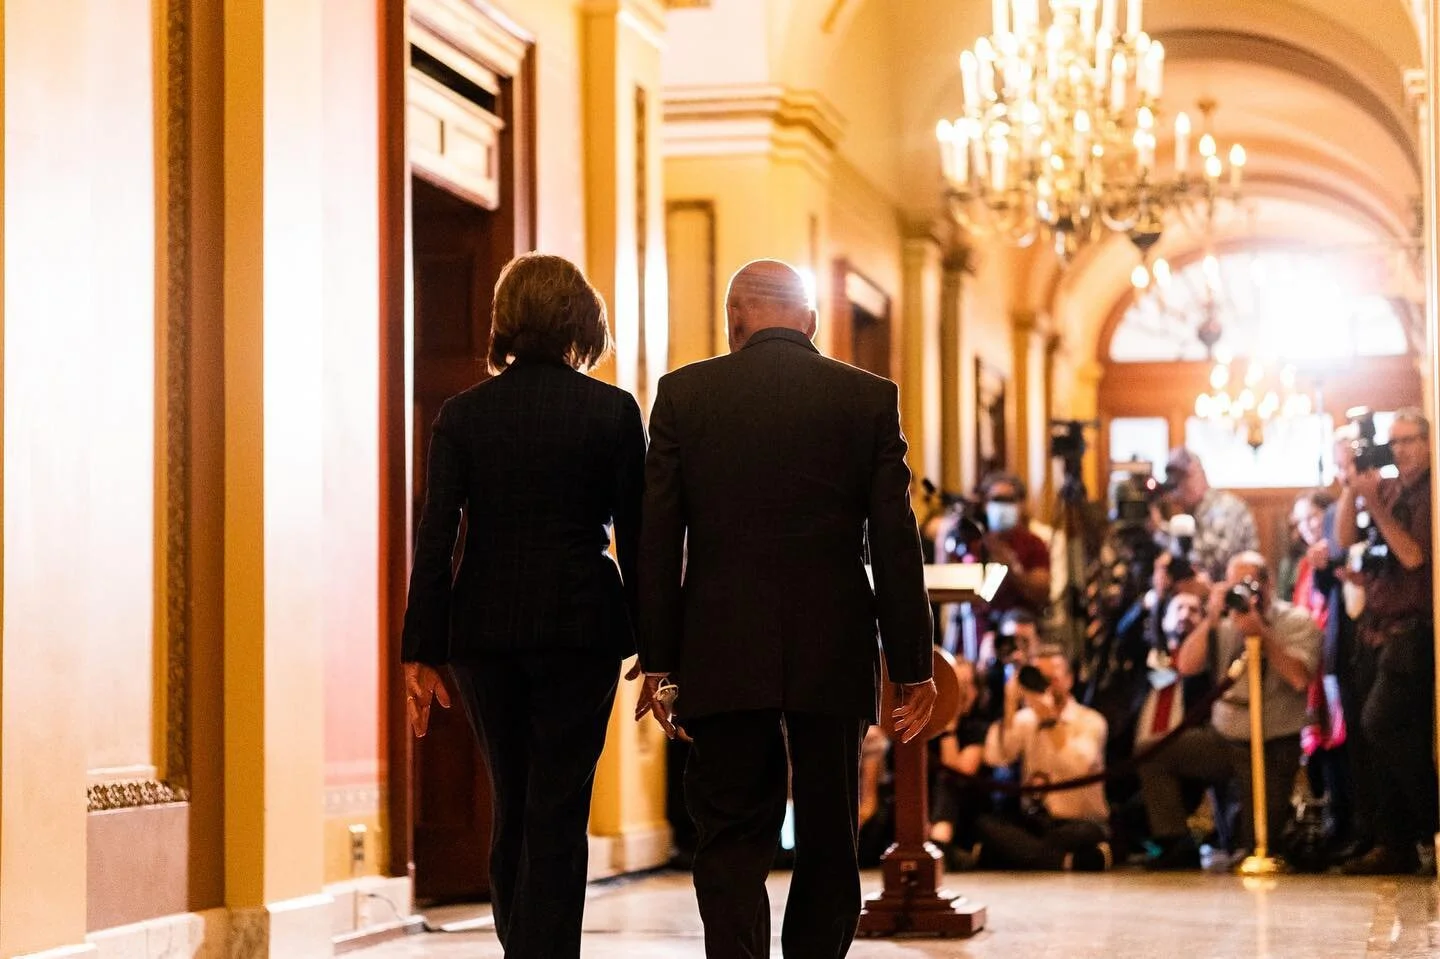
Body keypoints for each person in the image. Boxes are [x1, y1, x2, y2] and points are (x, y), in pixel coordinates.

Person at [633, 259, 937, 959]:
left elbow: (656, 541)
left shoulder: (684, 395)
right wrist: (912, 663)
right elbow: (896, 542)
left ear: (734, 320)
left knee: (730, 830)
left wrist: (660, 661)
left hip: (721, 640)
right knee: (831, 827)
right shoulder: (867, 398)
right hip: (831, 640)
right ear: (811, 322)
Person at [399, 253, 645, 957]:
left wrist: (421, 648)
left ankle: (522, 949)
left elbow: (436, 534)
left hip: (486, 630)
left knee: (512, 796)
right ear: (581, 320)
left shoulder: (464, 415)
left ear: (506, 320)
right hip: (581, 629)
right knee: (559, 805)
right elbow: (638, 537)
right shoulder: (612, 411)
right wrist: (659, 649)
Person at [1139, 552, 1318, 870]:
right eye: (1236, 585)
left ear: (1269, 583)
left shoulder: (1296, 621)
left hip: (1273, 744)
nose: (1244, 593)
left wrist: (1261, 632)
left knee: (1259, 847)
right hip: (1226, 739)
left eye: (1251, 583)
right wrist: (1210, 617)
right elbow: (1186, 665)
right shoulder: (1224, 624)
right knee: (1153, 751)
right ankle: (1175, 843)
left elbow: (1299, 678)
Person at [1337, 408, 1438, 875]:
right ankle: (1392, 842)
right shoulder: (1391, 487)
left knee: (1384, 724)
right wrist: (1350, 488)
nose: (1401, 451)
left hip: (1412, 630)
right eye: (1394, 443)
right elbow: (1344, 538)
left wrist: (1374, 506)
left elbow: (1415, 557)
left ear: (1428, 440)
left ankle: (1430, 825)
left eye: (1410, 440)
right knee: (1372, 738)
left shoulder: (1429, 495)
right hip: (1375, 627)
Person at [977, 651, 1112, 871]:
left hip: (1080, 822)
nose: (1046, 685)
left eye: (1053, 679)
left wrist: (1050, 722)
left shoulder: (1091, 721)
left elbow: (1078, 767)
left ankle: (1017, 856)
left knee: (1074, 835)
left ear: (1069, 680)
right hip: (1036, 821)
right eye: (1040, 678)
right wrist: (1010, 704)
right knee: (986, 825)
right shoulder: (1026, 719)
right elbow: (997, 757)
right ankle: (1066, 862)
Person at [1159, 448, 1259, 581]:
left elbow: (1215, 564)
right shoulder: (1189, 517)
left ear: (1200, 475)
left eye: (1184, 479)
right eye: (1173, 485)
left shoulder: (1226, 508)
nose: (1179, 491)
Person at [977, 472, 1052, 621]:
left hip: (1021, 624)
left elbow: (1042, 590)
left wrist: (1012, 568)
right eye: (997, 500)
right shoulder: (976, 543)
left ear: (1021, 504)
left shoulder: (1034, 543)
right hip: (980, 627)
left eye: (1008, 500)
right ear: (986, 505)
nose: (1002, 506)